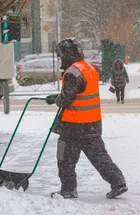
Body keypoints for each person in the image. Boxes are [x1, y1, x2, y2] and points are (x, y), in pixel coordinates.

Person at [45, 38, 128, 199]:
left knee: (65, 158)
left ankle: (68, 190)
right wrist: (59, 96)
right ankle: (118, 182)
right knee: (99, 157)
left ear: (66, 55)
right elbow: (79, 93)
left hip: (73, 126)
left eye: (61, 55)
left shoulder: (72, 73)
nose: (60, 58)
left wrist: (56, 99)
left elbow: (66, 99)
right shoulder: (88, 68)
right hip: (92, 124)